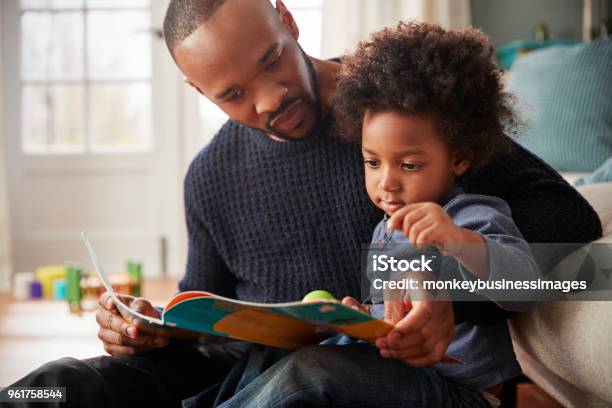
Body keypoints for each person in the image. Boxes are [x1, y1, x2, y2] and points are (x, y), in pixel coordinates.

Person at [3, 0, 601, 407]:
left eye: (271, 62)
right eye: (233, 94)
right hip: (247, 372)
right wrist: (146, 329)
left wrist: (444, 288)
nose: (269, 99)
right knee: (55, 385)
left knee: (305, 376)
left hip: (359, 375)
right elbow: (207, 313)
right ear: (198, 91)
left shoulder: (399, 118)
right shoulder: (210, 177)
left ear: (286, 18)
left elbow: (570, 219)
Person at [329, 21, 541, 407]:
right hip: (403, 380)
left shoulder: (472, 216)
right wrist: (362, 319)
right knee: (297, 359)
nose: (386, 183)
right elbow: (394, 316)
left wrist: (460, 241)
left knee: (310, 377)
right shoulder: (384, 230)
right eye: (372, 163)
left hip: (466, 393)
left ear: (459, 157)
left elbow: (525, 287)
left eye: (409, 165)